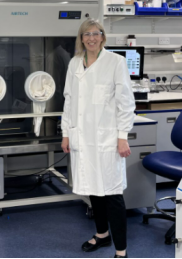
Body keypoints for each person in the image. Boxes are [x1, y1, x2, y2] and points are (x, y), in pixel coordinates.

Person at [61, 19, 135, 259]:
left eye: (96, 33)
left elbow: (126, 103)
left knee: (112, 194)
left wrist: (122, 137)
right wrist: (66, 133)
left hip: (106, 139)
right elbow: (69, 100)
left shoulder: (115, 62)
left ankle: (121, 251)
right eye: (86, 34)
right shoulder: (74, 63)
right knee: (93, 188)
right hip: (82, 137)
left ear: (103, 36)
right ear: (81, 38)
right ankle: (102, 235)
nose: (91, 38)